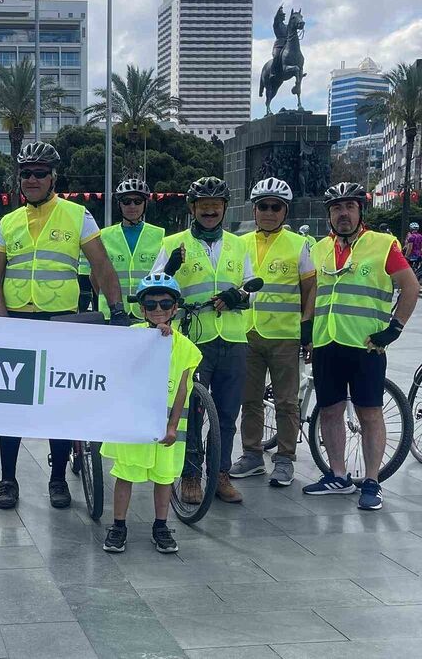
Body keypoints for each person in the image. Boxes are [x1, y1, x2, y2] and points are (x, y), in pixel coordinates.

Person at [0, 141, 127, 511]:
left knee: (59, 405)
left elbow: (102, 266)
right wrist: (2, 323)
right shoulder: (7, 221)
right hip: (17, 321)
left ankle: (58, 477)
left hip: (61, 322)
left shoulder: (78, 215)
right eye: (26, 173)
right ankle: (8, 479)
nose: (31, 179)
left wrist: (118, 308)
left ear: (53, 177)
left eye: (39, 173)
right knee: (13, 406)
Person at [302, 182, 419, 509]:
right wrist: (307, 329)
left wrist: (394, 328)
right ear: (329, 214)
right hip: (327, 343)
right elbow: (316, 292)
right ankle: (338, 475)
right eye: (337, 208)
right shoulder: (319, 249)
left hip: (366, 346)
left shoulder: (383, 245)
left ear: (359, 210)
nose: (343, 213)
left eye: (349, 207)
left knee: (369, 414)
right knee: (330, 411)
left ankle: (371, 481)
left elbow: (410, 287)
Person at [151, 176, 253, 505]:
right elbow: (154, 288)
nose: (210, 210)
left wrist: (237, 296)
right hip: (193, 338)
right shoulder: (173, 243)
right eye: (203, 205)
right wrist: (170, 266)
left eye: (216, 205)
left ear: (225, 208)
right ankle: (191, 474)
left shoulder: (239, 245)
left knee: (226, 413)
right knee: (192, 412)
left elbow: (251, 287)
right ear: (193, 208)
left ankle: (220, 474)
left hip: (233, 338)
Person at [101, 274, 202, 554]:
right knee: (125, 474)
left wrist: (172, 426)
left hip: (166, 427)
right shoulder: (131, 338)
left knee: (164, 477)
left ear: (175, 309)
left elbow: (183, 390)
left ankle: (161, 525)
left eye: (165, 304)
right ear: (142, 309)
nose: (158, 310)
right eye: (151, 305)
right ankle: (118, 525)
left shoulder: (186, 349)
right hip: (133, 424)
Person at [230, 179, 316, 487]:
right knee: (249, 399)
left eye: (275, 207)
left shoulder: (299, 244)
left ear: (285, 211)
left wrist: (307, 327)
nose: (269, 212)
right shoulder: (239, 243)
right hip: (247, 332)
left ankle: (285, 459)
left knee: (286, 402)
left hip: (285, 336)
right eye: (263, 206)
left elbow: (310, 288)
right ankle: (252, 455)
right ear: (254, 209)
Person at [91, 176, 164, 321]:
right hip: (112, 312)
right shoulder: (103, 235)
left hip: (147, 311)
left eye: (138, 202)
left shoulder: (160, 235)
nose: (132, 206)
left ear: (145, 204)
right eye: (126, 201)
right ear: (119, 205)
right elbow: (94, 277)